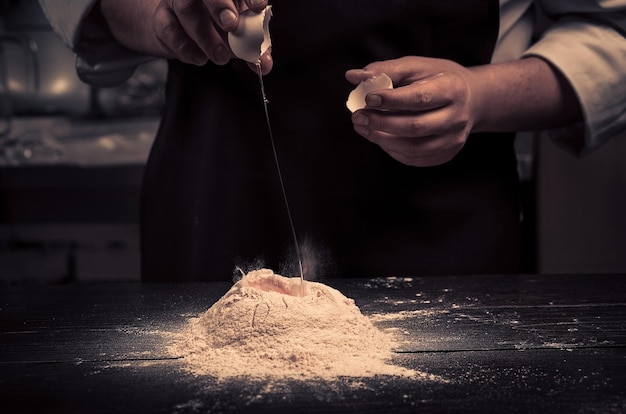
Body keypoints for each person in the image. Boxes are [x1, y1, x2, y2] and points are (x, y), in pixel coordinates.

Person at [40, 0, 626, 281]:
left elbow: (614, 36)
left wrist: (480, 94)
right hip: (216, 195)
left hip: (443, 230)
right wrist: (152, 14)